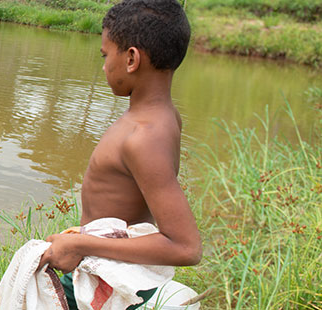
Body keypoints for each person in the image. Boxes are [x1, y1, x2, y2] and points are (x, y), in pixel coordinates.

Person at [41, 0, 202, 308]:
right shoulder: (163, 117)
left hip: (107, 278)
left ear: (131, 59)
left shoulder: (143, 136)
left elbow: (186, 246)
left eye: (105, 55)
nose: (103, 66)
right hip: (104, 255)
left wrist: (79, 243)